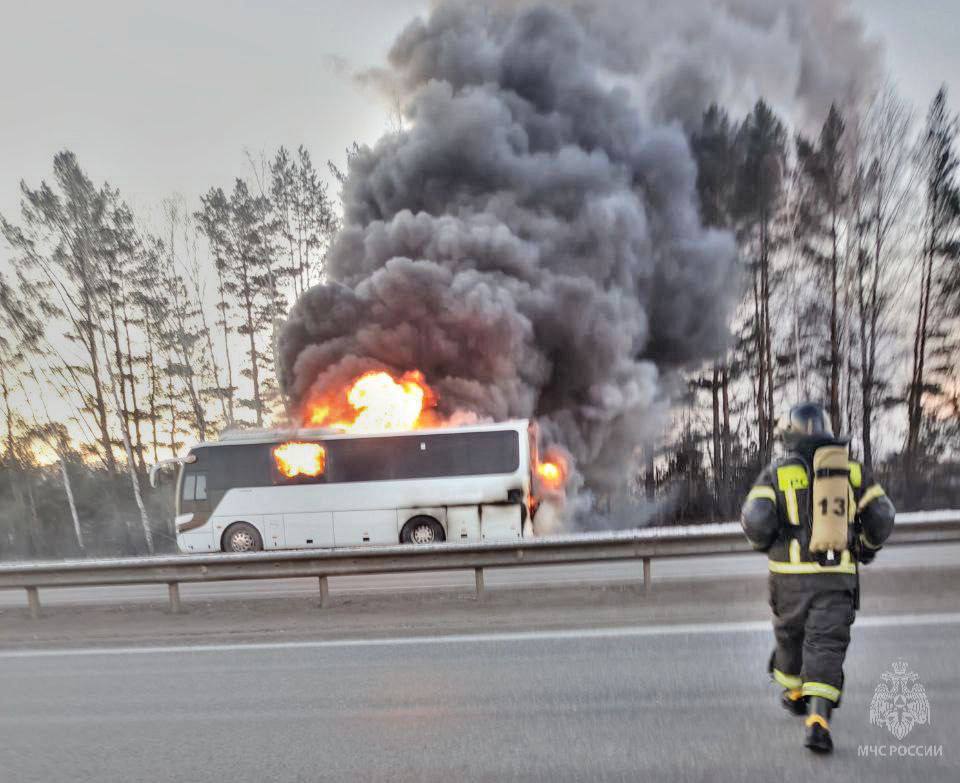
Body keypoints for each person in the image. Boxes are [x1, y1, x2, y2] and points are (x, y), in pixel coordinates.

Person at [740, 402, 896, 753]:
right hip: (836, 576)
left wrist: (765, 545)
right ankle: (818, 721)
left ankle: (795, 693)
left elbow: (756, 516)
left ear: (789, 433)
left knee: (790, 638)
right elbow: (882, 516)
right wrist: (866, 547)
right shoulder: (852, 470)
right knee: (826, 644)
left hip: (789, 578)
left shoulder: (777, 472)